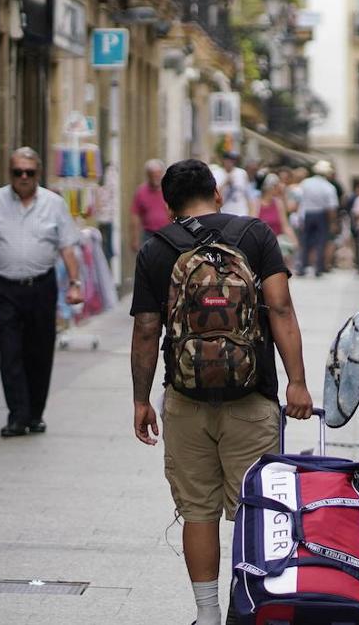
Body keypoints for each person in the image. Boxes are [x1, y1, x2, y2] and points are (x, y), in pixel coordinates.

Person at [128, 158, 313, 625]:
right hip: (252, 397)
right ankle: (252, 609)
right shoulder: (254, 236)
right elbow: (281, 308)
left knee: (198, 511)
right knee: (258, 510)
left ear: (168, 207)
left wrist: (141, 399)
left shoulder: (156, 249)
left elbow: (147, 331)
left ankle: (208, 615)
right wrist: (296, 381)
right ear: (216, 193)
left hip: (185, 398)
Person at [0, 147, 85, 437]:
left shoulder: (54, 204)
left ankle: (35, 414)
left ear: (38, 174)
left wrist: (75, 284)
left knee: (39, 352)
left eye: (29, 172)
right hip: (3, 287)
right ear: (10, 173)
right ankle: (17, 415)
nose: (23, 177)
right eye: (18, 172)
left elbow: (67, 247)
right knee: (10, 352)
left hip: (40, 287)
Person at [297, 161, 339, 277]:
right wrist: (332, 222)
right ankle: (318, 267)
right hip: (321, 214)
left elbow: (301, 200)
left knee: (305, 241)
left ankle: (302, 266)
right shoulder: (328, 186)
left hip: (307, 213)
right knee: (321, 241)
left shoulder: (306, 183)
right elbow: (331, 207)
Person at [130, 158, 170, 248]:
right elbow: (135, 215)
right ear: (148, 175)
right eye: (153, 175)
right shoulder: (141, 191)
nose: (156, 177)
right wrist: (134, 238)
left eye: (158, 174)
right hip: (148, 234)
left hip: (167, 233)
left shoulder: (169, 189)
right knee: (148, 260)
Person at [256, 173, 295, 264]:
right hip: (262, 244)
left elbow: (285, 225)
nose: (280, 188)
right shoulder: (256, 204)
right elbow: (253, 226)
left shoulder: (278, 203)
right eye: (277, 186)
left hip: (277, 243)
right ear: (271, 188)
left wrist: (293, 240)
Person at [216, 152, 252, 216]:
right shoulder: (217, 173)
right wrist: (226, 183)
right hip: (224, 213)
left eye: (233, 160)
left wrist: (250, 213)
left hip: (241, 213)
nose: (231, 162)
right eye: (229, 160)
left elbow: (248, 195)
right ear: (223, 160)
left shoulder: (242, 173)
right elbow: (215, 196)